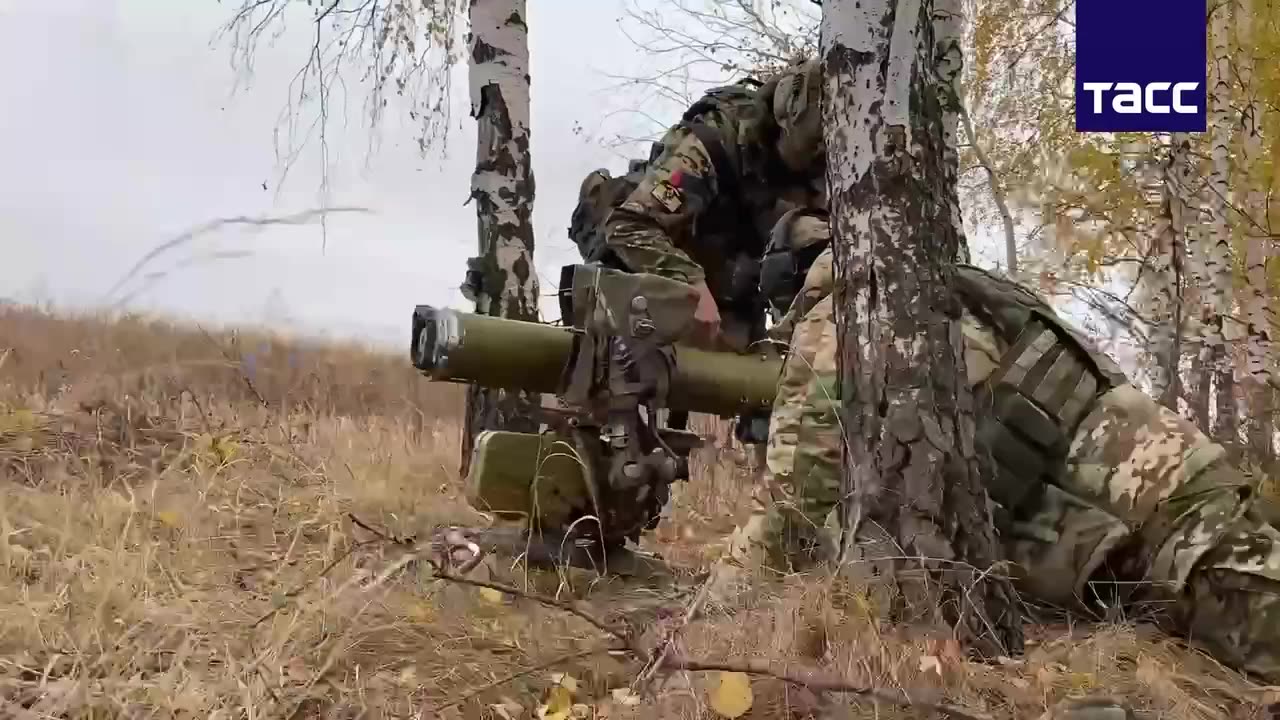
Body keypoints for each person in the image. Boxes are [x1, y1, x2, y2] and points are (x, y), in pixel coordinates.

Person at [579, 55, 1280, 687]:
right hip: (1199, 506)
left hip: (1188, 550)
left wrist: (699, 618)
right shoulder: (954, 289)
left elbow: (790, 516)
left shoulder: (844, 318)